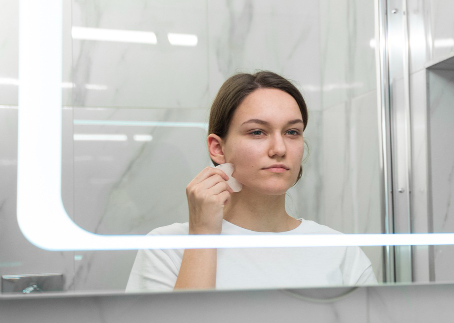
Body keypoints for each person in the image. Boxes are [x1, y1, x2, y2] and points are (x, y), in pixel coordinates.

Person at [126, 71, 377, 291]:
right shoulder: (167, 248)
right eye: (257, 132)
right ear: (217, 148)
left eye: (292, 132)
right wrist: (203, 236)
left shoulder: (339, 251)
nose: (279, 148)